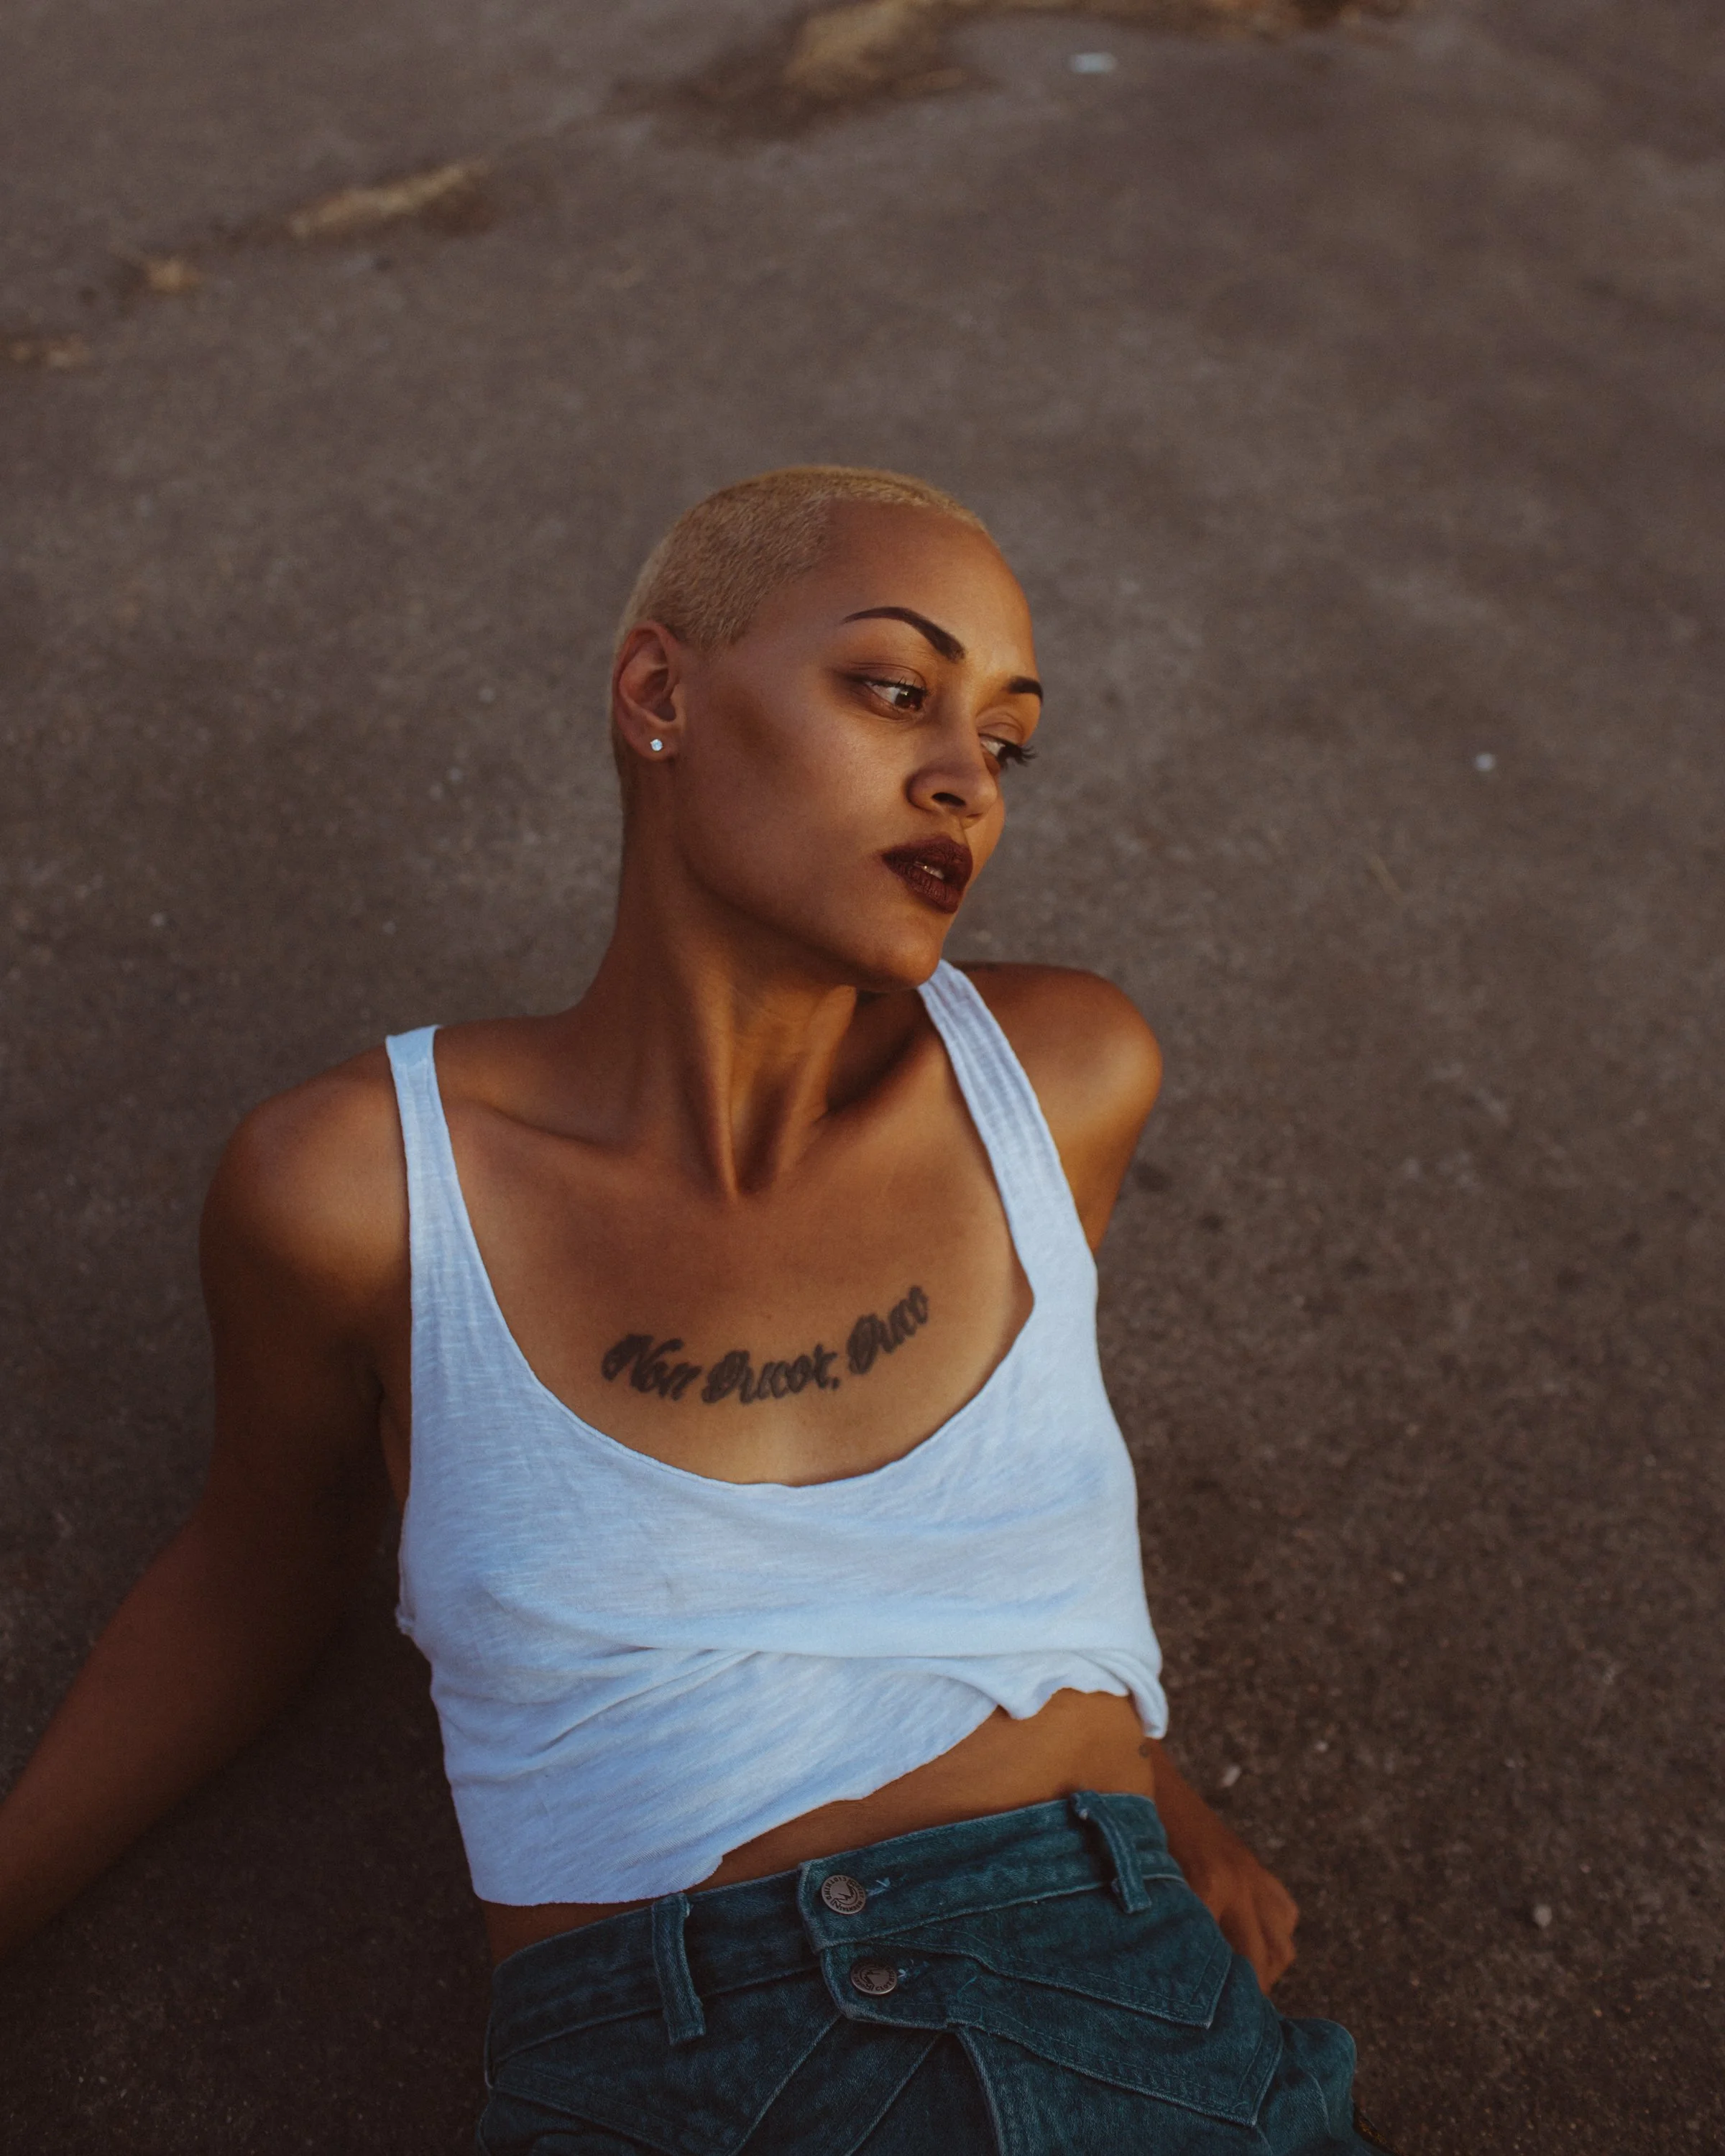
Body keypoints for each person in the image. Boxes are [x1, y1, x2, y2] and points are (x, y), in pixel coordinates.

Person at [0, 468, 1385, 2152]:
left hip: (1123, 2010)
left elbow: (986, 1579)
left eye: (1007, 741)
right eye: (895, 691)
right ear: (661, 695)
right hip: (659, 2076)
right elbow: (245, 1582)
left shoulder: (1060, 1078)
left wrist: (1144, 1793)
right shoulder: (361, 1188)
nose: (966, 779)